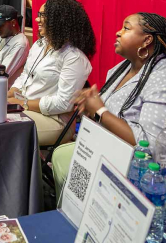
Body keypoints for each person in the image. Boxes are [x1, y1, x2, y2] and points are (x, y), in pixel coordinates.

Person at [52, 12, 166, 198]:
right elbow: (106, 116)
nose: (118, 33)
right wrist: (89, 109)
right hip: (102, 148)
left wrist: (99, 110)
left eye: (126, 28)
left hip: (135, 169)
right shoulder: (119, 70)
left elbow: (150, 145)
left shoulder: (161, 77)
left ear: (146, 40)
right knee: (61, 157)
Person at [8, 0, 96, 145]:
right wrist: (10, 92)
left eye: (43, 16)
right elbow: (25, 75)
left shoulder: (73, 57)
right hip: (26, 108)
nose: (37, 20)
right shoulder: (40, 44)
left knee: (1, 126)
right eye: (39, 15)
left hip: (54, 121)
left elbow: (63, 104)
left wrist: (24, 103)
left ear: (59, 20)